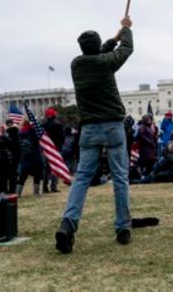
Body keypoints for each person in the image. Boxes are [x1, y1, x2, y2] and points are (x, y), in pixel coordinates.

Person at [55, 16, 134, 254]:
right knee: (119, 177)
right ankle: (122, 227)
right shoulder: (105, 63)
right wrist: (127, 31)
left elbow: (101, 53)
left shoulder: (76, 65)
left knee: (81, 179)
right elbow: (127, 50)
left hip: (88, 129)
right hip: (112, 126)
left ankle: (68, 224)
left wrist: (114, 38)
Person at [16, 120, 45, 197]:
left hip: (26, 158)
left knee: (23, 176)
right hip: (34, 158)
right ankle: (36, 193)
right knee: (37, 175)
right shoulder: (33, 133)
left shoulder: (20, 135)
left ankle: (18, 193)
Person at [42, 107, 65, 193]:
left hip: (46, 149)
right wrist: (59, 147)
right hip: (56, 149)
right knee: (56, 168)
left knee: (46, 169)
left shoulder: (43, 126)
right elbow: (62, 138)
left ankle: (45, 186)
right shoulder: (58, 125)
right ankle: (53, 186)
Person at [5, 119, 21, 194]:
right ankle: (12, 189)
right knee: (12, 173)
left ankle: (12, 189)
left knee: (12, 173)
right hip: (14, 155)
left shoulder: (12, 132)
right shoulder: (14, 132)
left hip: (13, 155)